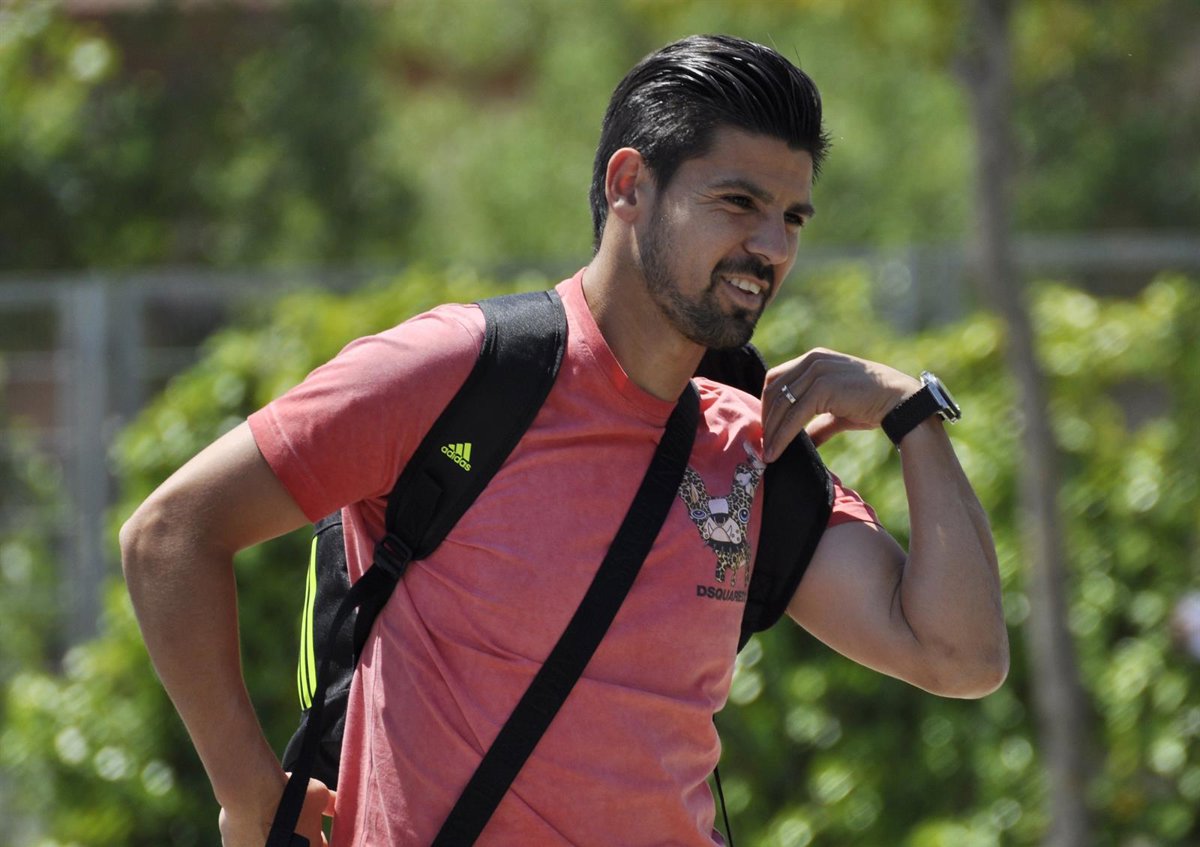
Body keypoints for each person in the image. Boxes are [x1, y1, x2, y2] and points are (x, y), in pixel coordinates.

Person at [120, 34, 1008, 846]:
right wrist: (247, 790)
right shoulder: (458, 371)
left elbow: (961, 655)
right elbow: (171, 532)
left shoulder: (748, 450)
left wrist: (911, 414)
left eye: (794, 218)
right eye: (739, 202)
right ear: (630, 185)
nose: (771, 246)